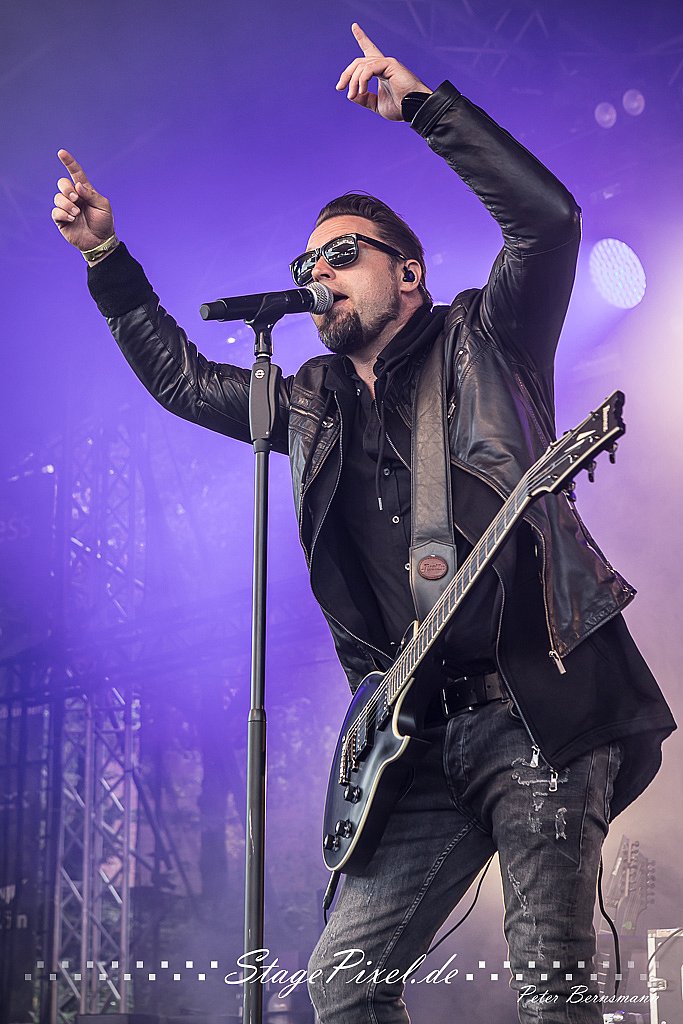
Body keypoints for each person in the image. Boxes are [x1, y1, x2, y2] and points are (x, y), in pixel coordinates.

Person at [52, 22, 674, 1024]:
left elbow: (548, 222)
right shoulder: (310, 403)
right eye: (308, 262)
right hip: (414, 739)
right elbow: (182, 382)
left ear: (407, 274)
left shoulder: (487, 338)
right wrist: (107, 258)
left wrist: (423, 108)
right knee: (341, 984)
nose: (319, 273)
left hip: (536, 707)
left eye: (342, 254)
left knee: (549, 991)